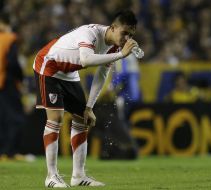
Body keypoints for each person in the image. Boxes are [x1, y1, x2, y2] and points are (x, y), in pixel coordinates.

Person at [33, 10, 139, 188]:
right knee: (56, 118)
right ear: (113, 28)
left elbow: (102, 74)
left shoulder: (114, 46)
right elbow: (86, 59)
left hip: (69, 72)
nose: (127, 38)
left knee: (82, 118)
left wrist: (89, 106)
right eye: (124, 33)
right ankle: (51, 176)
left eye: (131, 35)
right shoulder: (89, 33)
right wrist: (121, 56)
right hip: (48, 65)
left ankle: (78, 176)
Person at [0, 18, 25, 160]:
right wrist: (20, 78)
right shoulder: (9, 38)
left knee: (2, 118)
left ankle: (3, 151)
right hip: (8, 82)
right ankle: (11, 151)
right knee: (14, 117)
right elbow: (13, 63)